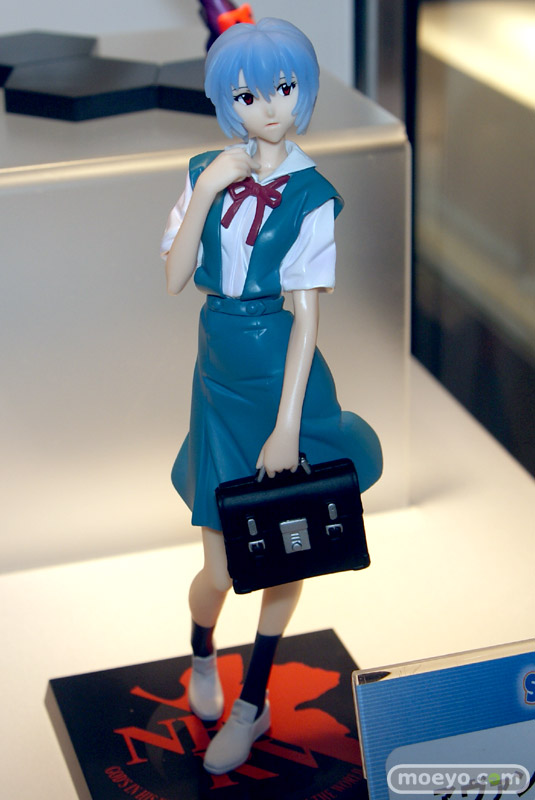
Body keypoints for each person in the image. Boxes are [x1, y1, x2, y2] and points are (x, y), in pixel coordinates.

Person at [160, 18, 382, 775]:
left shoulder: (313, 194)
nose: (271, 108)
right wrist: (207, 190)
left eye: (284, 89)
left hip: (284, 374)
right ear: (227, 101)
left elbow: (308, 317)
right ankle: (200, 649)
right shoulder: (204, 170)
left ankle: (252, 701)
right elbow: (174, 277)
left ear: (303, 90)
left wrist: (288, 425)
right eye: (249, 95)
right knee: (222, 569)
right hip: (218, 370)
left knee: (287, 552)